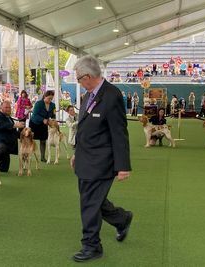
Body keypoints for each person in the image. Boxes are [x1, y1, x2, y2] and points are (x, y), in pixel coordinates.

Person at [70, 55, 132, 263]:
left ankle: (91, 245)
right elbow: (84, 130)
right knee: (94, 200)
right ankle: (122, 219)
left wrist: (123, 166)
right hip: (85, 159)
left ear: (88, 76)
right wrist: (76, 154)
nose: (78, 81)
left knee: (89, 203)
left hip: (101, 161)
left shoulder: (112, 95)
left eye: (78, 78)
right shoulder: (87, 95)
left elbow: (119, 132)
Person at [0, 101, 24, 173]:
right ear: (1, 108)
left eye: (9, 107)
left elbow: (13, 132)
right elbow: (0, 125)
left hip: (6, 145)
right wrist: (14, 125)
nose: (8, 109)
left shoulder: (9, 119)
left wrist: (23, 135)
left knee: (4, 169)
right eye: (6, 107)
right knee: (2, 148)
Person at [29, 90, 56, 162]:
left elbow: (53, 115)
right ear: (44, 96)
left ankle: (43, 157)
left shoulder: (53, 105)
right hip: (34, 123)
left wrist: (53, 120)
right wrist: (43, 119)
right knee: (31, 140)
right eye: (49, 98)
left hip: (44, 124)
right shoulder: (38, 103)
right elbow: (35, 115)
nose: (50, 100)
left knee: (43, 140)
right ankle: (28, 156)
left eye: (51, 99)